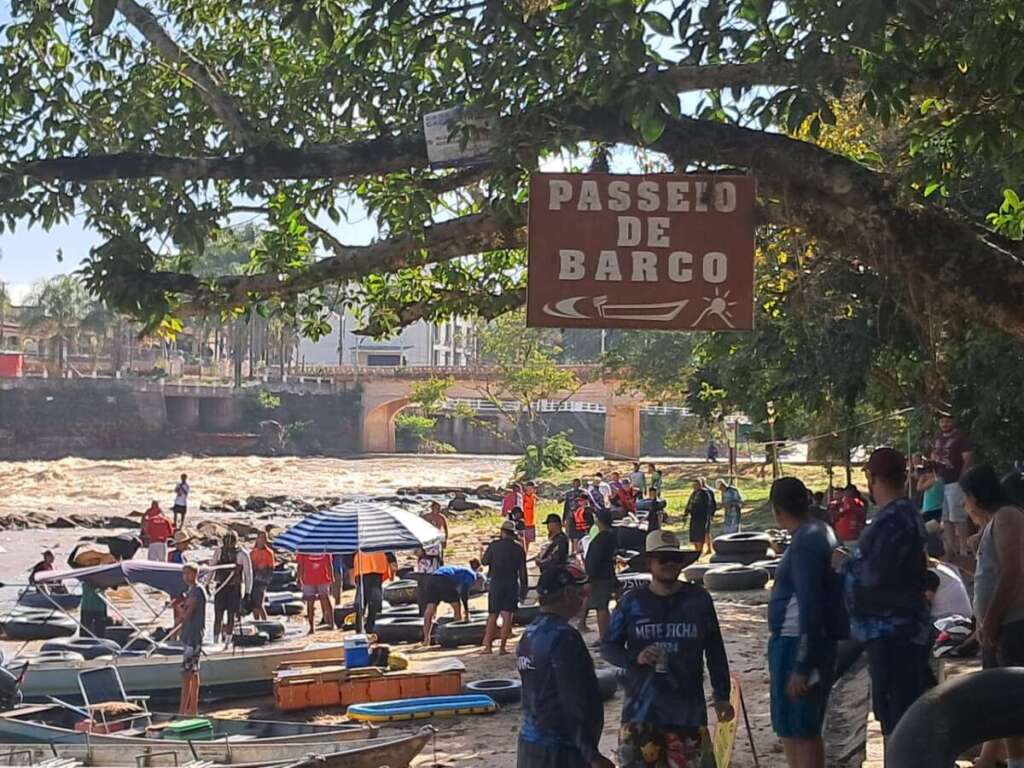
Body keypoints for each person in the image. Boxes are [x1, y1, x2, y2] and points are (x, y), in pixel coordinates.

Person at [601, 530, 734, 768]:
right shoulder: (631, 602)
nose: (670, 564)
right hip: (640, 716)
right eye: (663, 559)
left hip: (688, 714)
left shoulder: (699, 599)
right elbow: (608, 647)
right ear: (649, 563)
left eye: (676, 558)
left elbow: (715, 649)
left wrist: (721, 695)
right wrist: (635, 657)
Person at [835, 447, 934, 738]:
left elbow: (872, 581)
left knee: (898, 722)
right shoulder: (907, 514)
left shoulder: (890, 522)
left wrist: (845, 565)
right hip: (903, 630)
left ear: (872, 478)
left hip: (892, 634)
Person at [767, 477, 846, 768]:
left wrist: (803, 663)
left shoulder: (804, 543)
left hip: (795, 642)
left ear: (777, 510)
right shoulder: (819, 530)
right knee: (793, 726)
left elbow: (811, 604)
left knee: (801, 728)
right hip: (804, 641)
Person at [517, 564, 613, 768]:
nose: (582, 599)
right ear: (568, 593)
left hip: (529, 743)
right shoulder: (564, 637)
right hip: (561, 750)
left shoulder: (529, 634)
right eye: (581, 593)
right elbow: (572, 699)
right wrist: (591, 754)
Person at [959, 466, 1024, 768]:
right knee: (998, 700)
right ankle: (992, 758)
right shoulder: (994, 524)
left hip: (1011, 625)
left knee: (1011, 702)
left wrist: (992, 620)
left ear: (975, 495)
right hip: (997, 627)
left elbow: (1012, 574)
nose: (964, 506)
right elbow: (990, 574)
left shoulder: (1009, 516)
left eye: (965, 499)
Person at [481, 519, 528, 654]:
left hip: (496, 582)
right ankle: (502, 647)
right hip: (511, 582)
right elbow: (523, 571)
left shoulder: (494, 545)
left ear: (502, 532)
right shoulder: (518, 548)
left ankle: (488, 647)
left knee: (493, 614)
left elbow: (484, 562)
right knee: (508, 614)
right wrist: (524, 590)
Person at [934, 413, 974, 558]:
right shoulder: (938, 439)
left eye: (947, 421)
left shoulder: (960, 438)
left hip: (955, 481)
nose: (944, 424)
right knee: (945, 517)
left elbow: (968, 459)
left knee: (958, 515)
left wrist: (962, 478)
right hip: (941, 482)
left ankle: (964, 548)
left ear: (953, 421)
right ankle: (950, 549)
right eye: (942, 421)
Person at [421, 561, 484, 645]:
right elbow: (464, 593)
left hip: (432, 578)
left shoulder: (461, 570)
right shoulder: (472, 575)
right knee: (457, 606)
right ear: (478, 580)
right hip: (444, 579)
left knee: (430, 608)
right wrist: (466, 611)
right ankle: (458, 634)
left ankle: (426, 639)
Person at [174, 563, 206, 717]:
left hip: (193, 636)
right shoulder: (191, 591)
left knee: (187, 674)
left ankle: (184, 711)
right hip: (190, 636)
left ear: (195, 574)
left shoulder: (197, 592)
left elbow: (186, 616)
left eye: (188, 574)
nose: (185, 577)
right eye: (184, 574)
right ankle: (191, 709)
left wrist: (179, 608)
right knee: (193, 672)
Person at [582, 508, 618, 641]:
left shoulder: (603, 537)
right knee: (602, 606)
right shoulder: (609, 535)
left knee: (601, 607)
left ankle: (604, 637)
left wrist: (589, 576)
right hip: (604, 574)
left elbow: (595, 559)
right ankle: (605, 636)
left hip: (600, 576)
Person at [211, 532, 250, 642]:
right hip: (220, 587)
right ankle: (215, 640)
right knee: (218, 616)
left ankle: (228, 641)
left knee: (231, 616)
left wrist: (247, 592)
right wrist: (206, 585)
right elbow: (212, 568)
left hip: (234, 588)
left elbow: (248, 574)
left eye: (230, 542)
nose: (228, 545)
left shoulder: (242, 554)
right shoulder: (218, 552)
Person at [352, 550, 393, 631]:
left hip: (368, 570)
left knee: (366, 602)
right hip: (368, 570)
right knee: (370, 602)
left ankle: (366, 627)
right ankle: (368, 627)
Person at [297, 551, 334, 634]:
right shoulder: (304, 548)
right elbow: (300, 565)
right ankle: (312, 627)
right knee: (310, 603)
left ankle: (331, 623)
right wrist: (299, 578)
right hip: (309, 579)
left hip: (322, 578)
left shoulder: (323, 546)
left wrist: (331, 577)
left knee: (325, 600)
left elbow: (329, 563)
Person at [249, 531, 276, 621]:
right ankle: (256, 621)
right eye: (260, 538)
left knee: (259, 603)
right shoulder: (252, 552)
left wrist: (265, 580)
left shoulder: (269, 553)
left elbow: (271, 569)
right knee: (253, 605)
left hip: (262, 581)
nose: (261, 540)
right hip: (252, 580)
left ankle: (265, 622)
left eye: (264, 539)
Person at [685, 479, 713, 554]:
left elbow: (707, 506)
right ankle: (696, 550)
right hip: (694, 517)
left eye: (696, 485)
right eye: (693, 485)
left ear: (700, 484)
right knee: (694, 535)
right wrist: (687, 511)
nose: (694, 486)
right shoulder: (694, 494)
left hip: (702, 517)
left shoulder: (705, 493)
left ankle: (700, 551)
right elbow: (689, 503)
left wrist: (708, 515)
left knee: (701, 534)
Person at [522, 482, 538, 553]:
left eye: (533, 488)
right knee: (523, 540)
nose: (533, 490)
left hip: (531, 521)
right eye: (531, 488)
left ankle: (526, 553)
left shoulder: (533, 496)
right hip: (524, 521)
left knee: (528, 540)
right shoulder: (523, 497)